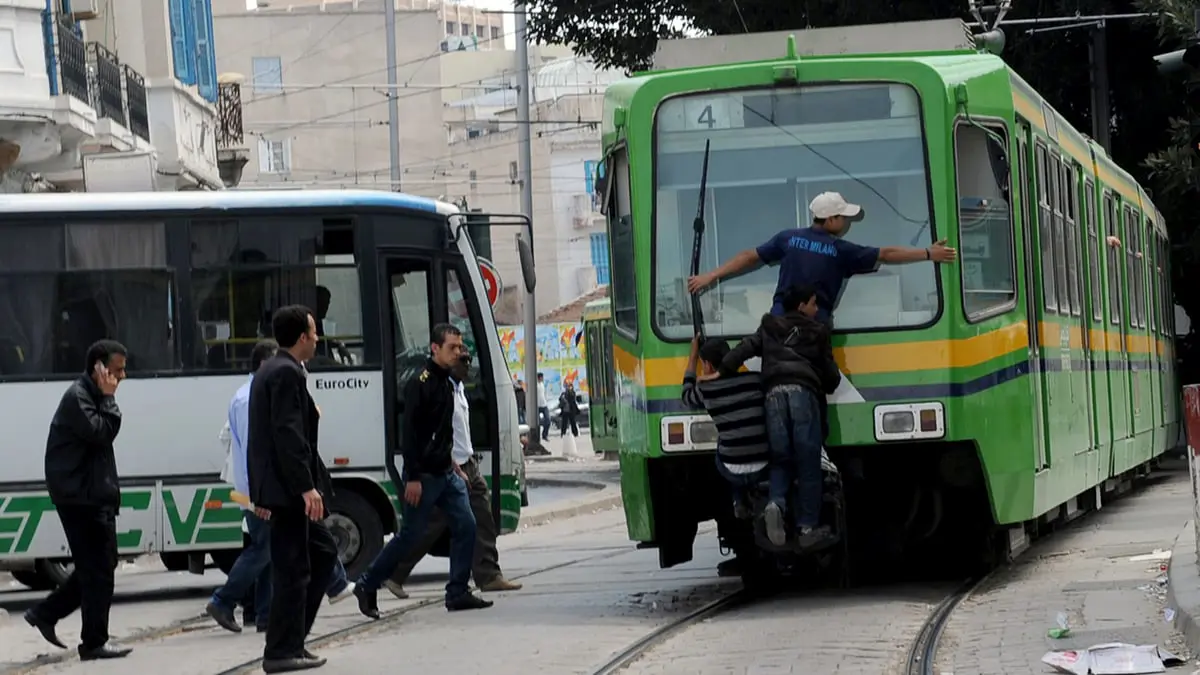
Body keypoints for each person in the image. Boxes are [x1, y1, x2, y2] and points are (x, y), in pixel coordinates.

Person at [207, 341, 356, 635]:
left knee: (269, 552)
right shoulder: (251, 398)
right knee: (266, 550)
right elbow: (255, 448)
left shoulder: (249, 394)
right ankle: (223, 600)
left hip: (256, 489)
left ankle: (264, 615)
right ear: (265, 366)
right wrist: (257, 495)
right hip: (259, 492)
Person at [353, 323, 493, 617]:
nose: (458, 353)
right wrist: (413, 477)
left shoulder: (446, 382)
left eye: (459, 347)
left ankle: (457, 591)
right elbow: (411, 435)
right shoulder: (421, 382)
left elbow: (441, 432)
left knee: (467, 525)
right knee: (410, 536)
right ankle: (367, 585)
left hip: (446, 472)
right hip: (424, 476)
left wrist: (454, 464)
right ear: (435, 349)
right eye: (452, 348)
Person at [687, 191, 957, 324]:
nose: (848, 223)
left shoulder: (787, 239)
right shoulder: (841, 250)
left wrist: (710, 276)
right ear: (831, 219)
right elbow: (886, 254)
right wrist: (927, 253)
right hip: (814, 326)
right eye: (845, 217)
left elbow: (749, 256)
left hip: (778, 322)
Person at [382, 352, 523, 599]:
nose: (467, 367)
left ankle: (488, 575)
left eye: (469, 361)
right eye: (462, 362)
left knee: (483, 519)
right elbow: (423, 433)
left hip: (467, 464)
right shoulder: (437, 390)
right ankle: (394, 573)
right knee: (431, 526)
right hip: (447, 468)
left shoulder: (459, 390)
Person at [24, 340, 132, 660]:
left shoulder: (90, 395)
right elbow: (101, 432)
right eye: (117, 369)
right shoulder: (79, 397)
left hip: (90, 494)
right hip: (81, 499)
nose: (122, 376)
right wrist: (110, 399)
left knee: (97, 566)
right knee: (98, 569)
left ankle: (46, 614)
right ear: (99, 367)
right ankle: (93, 641)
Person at [248, 306, 339, 673]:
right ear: (302, 336)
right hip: (288, 492)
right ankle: (281, 651)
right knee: (293, 569)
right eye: (314, 332)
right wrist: (305, 488)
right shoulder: (284, 372)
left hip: (282, 489)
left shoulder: (276, 369)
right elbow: (288, 436)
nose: (317, 338)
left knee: (321, 554)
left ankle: (293, 640)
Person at [720, 285, 842, 549]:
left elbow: (741, 350)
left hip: (773, 396)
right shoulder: (818, 332)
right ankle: (807, 526)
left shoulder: (768, 327)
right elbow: (831, 378)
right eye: (813, 303)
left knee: (780, 459)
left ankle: (776, 503)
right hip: (802, 395)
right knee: (809, 462)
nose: (816, 309)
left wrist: (725, 369)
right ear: (801, 306)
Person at [680, 335, 769, 576]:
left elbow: (686, 395)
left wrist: (691, 358)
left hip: (732, 466)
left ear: (707, 365)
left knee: (723, 449)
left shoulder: (706, 389)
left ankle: (739, 501)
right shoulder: (754, 381)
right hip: (763, 462)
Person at [536, 372, 550, 442]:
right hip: (537, 406)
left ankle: (545, 435)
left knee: (548, 420)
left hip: (544, 405)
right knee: (537, 422)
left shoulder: (542, 384)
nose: (543, 379)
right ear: (539, 377)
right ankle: (537, 437)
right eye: (542, 377)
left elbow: (544, 394)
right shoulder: (535, 385)